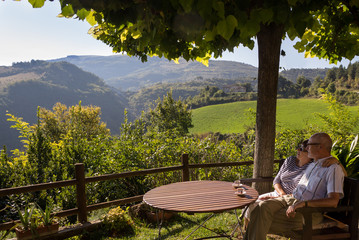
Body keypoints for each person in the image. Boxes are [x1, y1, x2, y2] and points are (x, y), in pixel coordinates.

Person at [244, 132, 345, 240]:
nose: (306, 148)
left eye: (309, 145)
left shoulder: (333, 169)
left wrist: (302, 204)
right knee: (261, 207)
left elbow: (333, 201)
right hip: (291, 198)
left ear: (320, 147)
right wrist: (278, 197)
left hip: (309, 211)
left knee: (257, 217)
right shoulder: (313, 164)